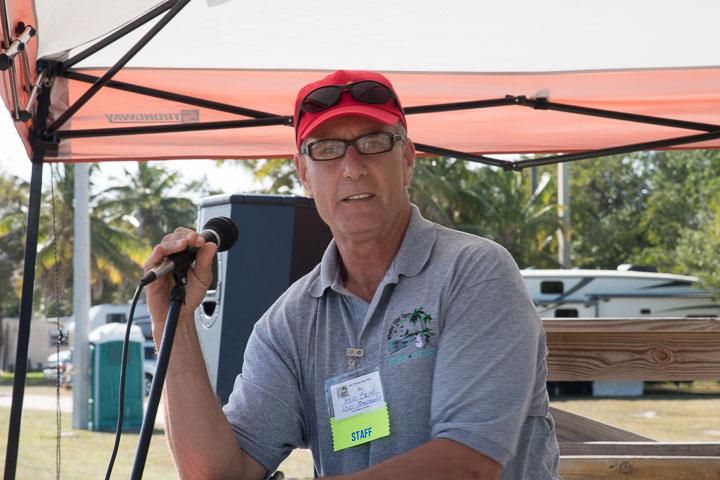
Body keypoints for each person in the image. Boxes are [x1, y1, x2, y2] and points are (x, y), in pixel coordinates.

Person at [145, 69, 560, 479]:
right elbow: (217, 474)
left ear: (408, 160)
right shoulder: (290, 322)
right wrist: (172, 322)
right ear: (304, 173)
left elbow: (469, 464)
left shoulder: (474, 272)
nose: (352, 167)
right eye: (327, 149)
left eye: (374, 143)